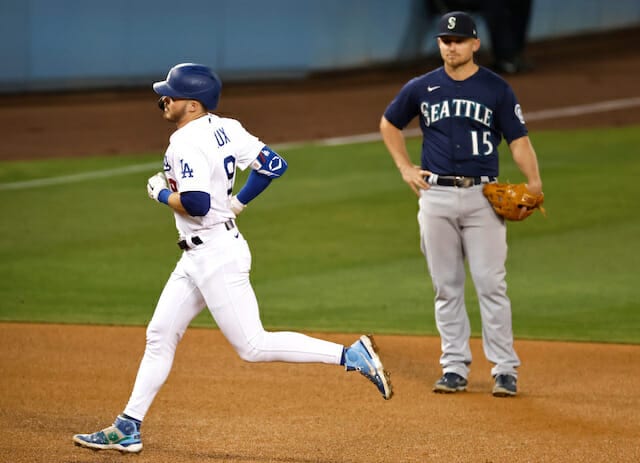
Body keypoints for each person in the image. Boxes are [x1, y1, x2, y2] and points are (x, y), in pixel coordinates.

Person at [73, 63, 393, 453]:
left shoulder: (184, 144)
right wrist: (238, 204)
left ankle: (350, 355)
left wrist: (157, 192)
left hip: (216, 257)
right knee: (159, 335)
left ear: (192, 105)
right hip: (200, 255)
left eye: (170, 94)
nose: (164, 99)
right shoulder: (228, 126)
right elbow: (274, 164)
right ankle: (128, 426)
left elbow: (195, 203)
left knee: (253, 346)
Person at [379, 12, 542, 397]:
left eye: (457, 40)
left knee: (491, 284)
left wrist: (534, 181)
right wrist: (405, 167)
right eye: (444, 41)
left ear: (474, 44)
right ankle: (454, 367)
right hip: (434, 196)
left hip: (483, 198)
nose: (450, 47)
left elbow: (518, 139)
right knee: (446, 287)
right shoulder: (421, 87)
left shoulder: (496, 89)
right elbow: (389, 124)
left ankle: (505, 369)